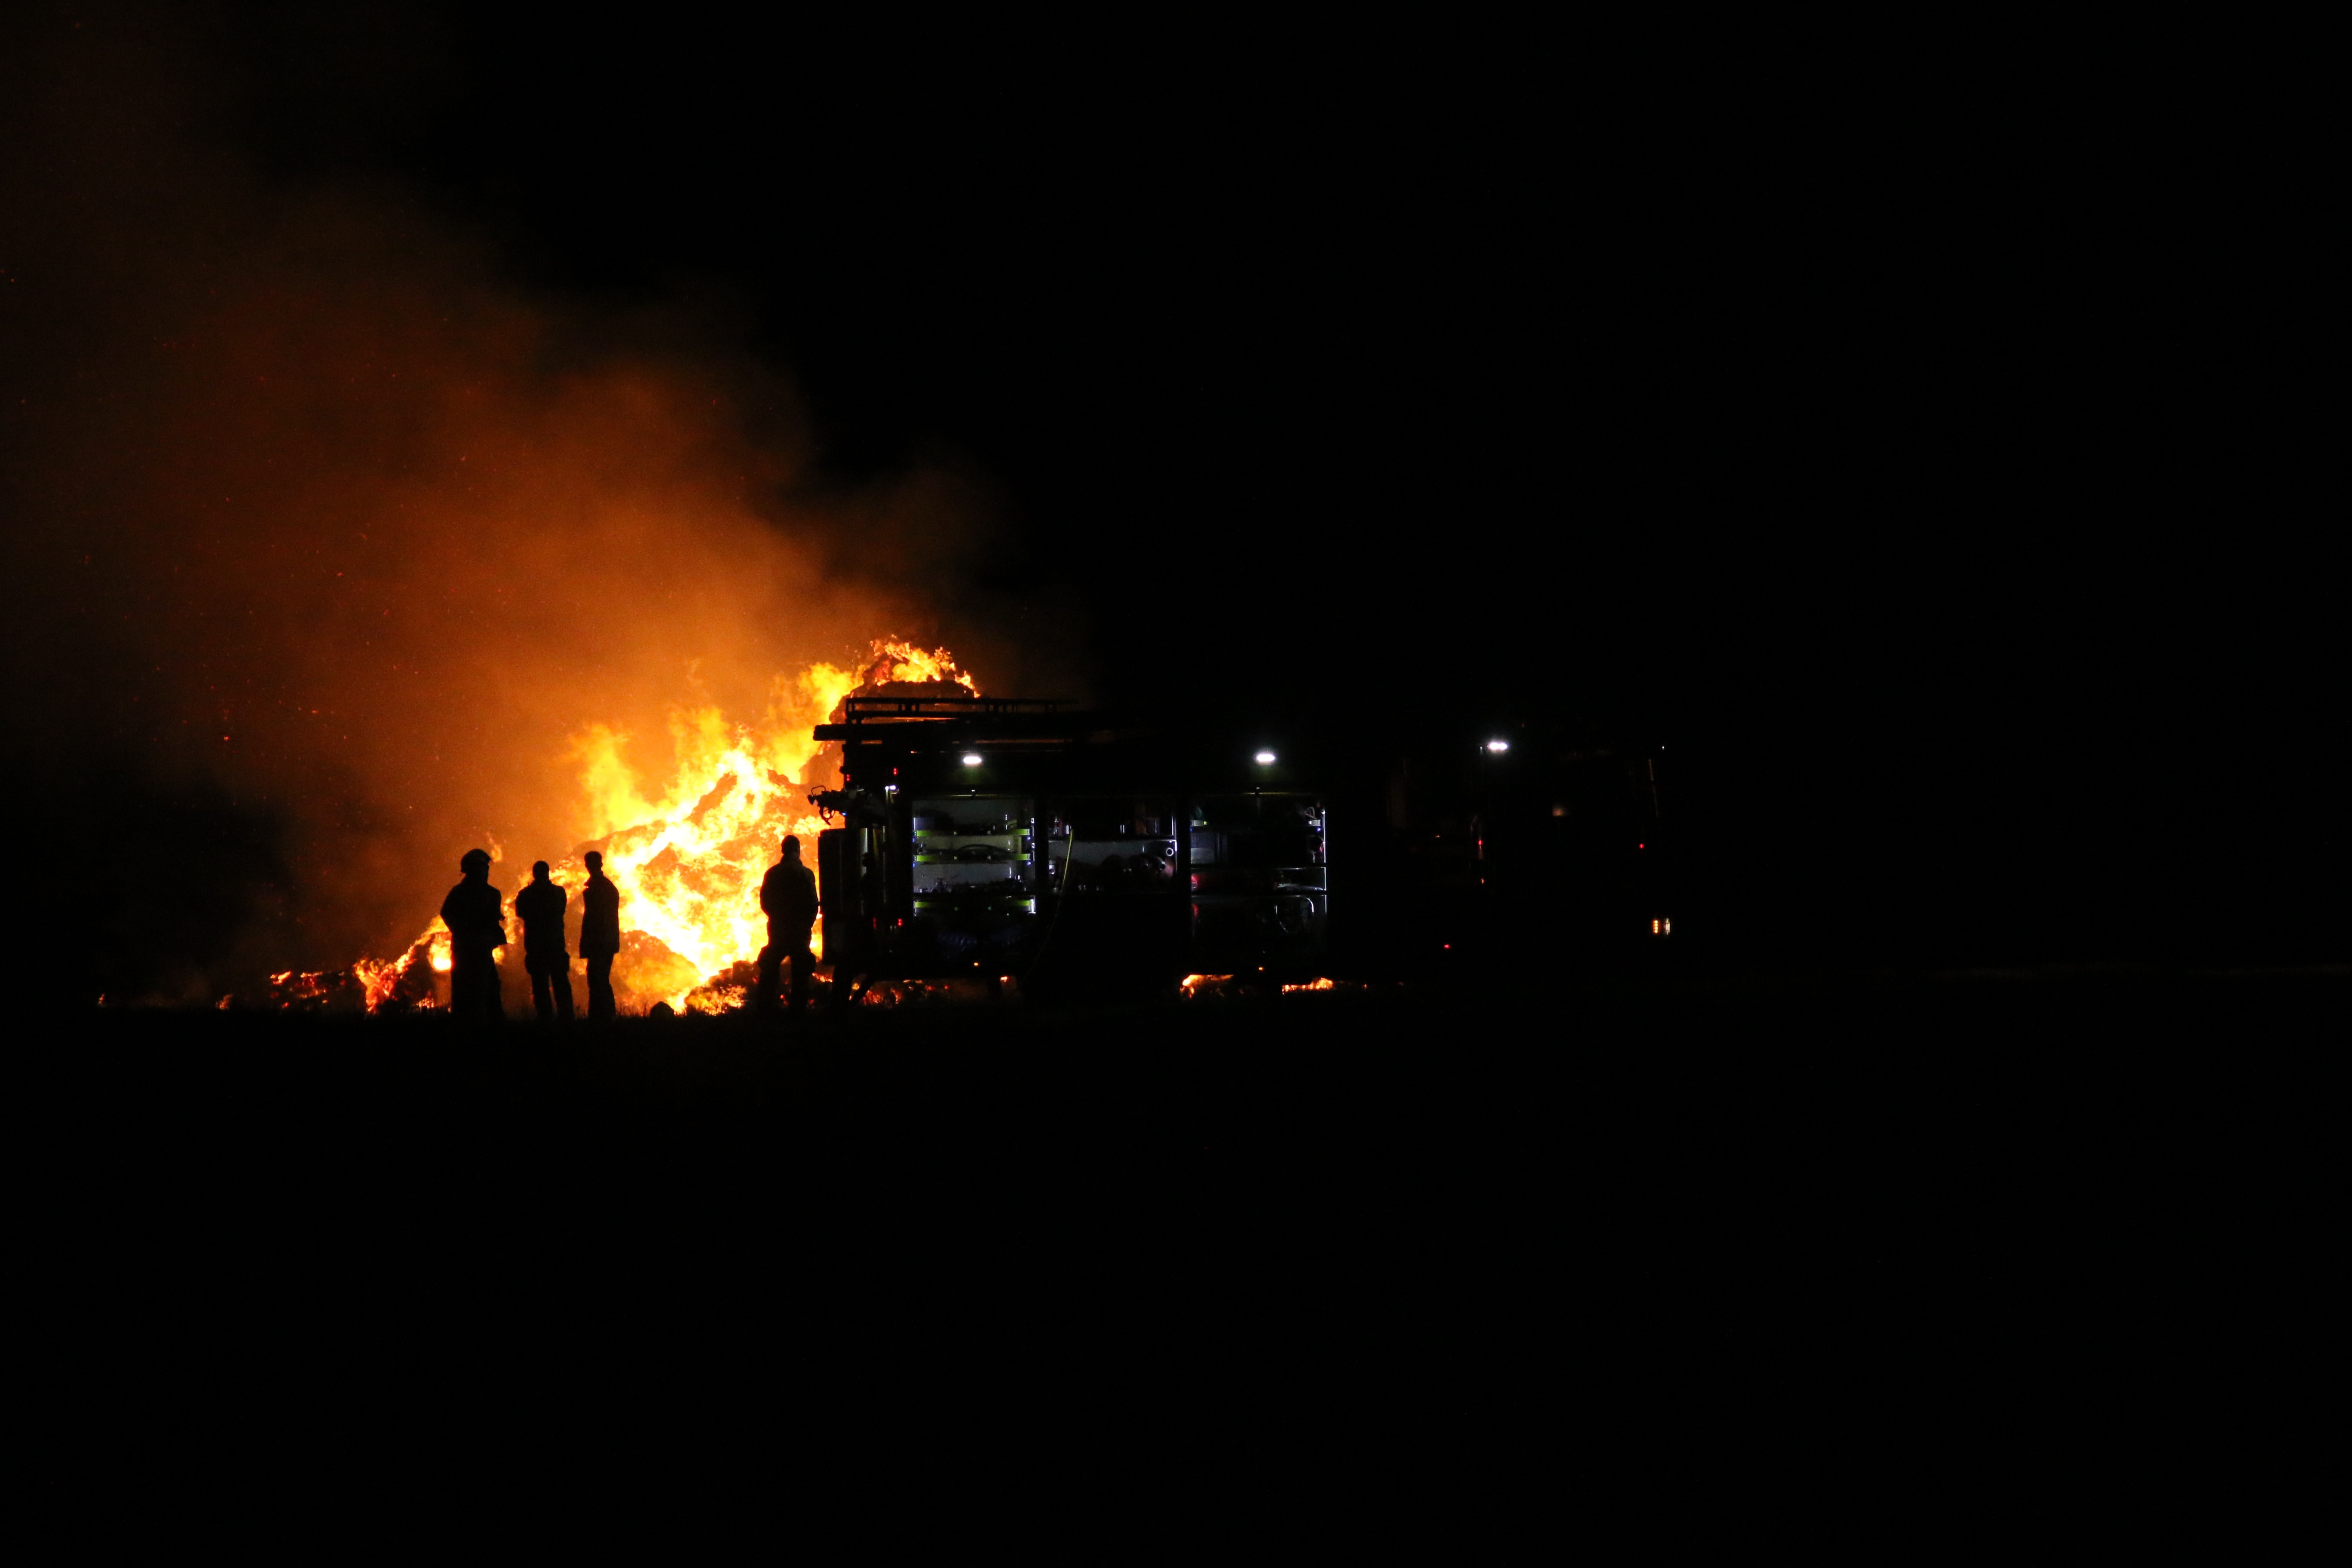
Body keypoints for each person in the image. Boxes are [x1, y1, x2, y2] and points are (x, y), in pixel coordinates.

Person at [438, 848, 506, 1022]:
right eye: (483, 868)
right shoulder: (470, 893)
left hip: (477, 949)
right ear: (474, 869)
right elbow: (447, 913)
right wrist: (464, 931)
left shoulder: (488, 893)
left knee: (487, 989)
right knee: (472, 991)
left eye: (486, 868)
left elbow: (447, 913)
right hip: (470, 949)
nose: (486, 872)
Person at [758, 833, 820, 1012]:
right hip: (800, 930)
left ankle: (764, 1011)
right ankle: (797, 1012)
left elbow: (765, 902)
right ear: (798, 850)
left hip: (778, 929)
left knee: (770, 968)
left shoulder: (773, 873)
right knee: (801, 973)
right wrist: (806, 924)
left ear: (783, 850)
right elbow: (812, 904)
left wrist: (777, 917)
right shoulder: (806, 874)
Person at [513, 860, 573, 1023]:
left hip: (536, 948)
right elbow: (561, 910)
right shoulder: (559, 893)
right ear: (548, 873)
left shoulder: (526, 895)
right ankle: (567, 1020)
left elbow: (520, 912)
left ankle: (545, 1020)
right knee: (561, 985)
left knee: (540, 987)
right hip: (555, 946)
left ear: (534, 874)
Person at [579, 849, 620, 1022]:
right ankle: (602, 1017)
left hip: (601, 941)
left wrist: (593, 942)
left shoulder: (600, 887)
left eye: (592, 864)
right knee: (599, 978)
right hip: (605, 941)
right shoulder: (603, 886)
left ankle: (602, 1017)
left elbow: (596, 918)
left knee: (598, 979)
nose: (590, 867)